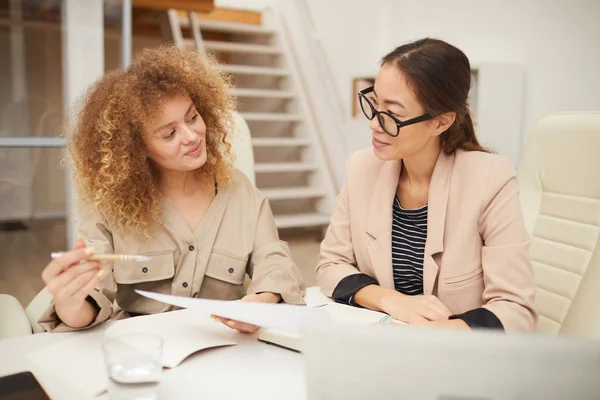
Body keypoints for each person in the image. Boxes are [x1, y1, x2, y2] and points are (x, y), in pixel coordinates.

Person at [39, 45, 305, 334]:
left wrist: (263, 300)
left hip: (226, 352)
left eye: (192, 118)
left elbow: (274, 261)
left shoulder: (240, 190)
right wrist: (71, 301)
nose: (192, 136)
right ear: (136, 149)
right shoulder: (111, 206)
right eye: (169, 133)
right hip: (142, 351)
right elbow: (89, 306)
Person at [316, 38, 536, 331]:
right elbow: (330, 265)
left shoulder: (490, 178)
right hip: (378, 342)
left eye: (392, 114)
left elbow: (515, 309)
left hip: (454, 356)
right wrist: (390, 300)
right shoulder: (361, 167)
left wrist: (423, 336)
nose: (373, 124)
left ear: (440, 123)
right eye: (375, 103)